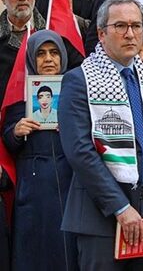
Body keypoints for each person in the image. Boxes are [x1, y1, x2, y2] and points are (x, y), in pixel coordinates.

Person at [58, 0, 143, 271]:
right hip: (101, 218)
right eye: (120, 26)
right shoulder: (78, 80)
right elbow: (79, 151)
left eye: (136, 26)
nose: (130, 34)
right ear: (101, 33)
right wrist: (120, 208)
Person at [1, 30, 77, 271]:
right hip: (33, 189)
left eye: (54, 53)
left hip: (69, 183)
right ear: (32, 58)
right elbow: (7, 142)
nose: (48, 59)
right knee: (33, 252)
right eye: (41, 53)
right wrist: (16, 131)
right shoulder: (19, 97)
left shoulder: (77, 94)